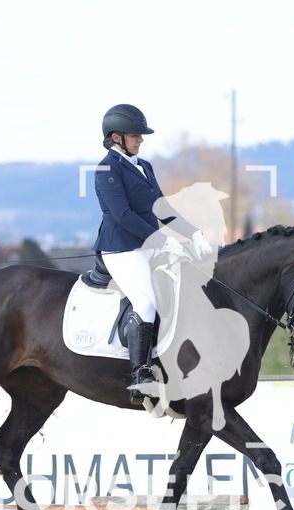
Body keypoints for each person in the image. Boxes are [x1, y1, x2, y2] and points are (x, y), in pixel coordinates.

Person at [93, 103, 210, 404]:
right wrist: (162, 240)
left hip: (150, 245)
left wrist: (192, 232)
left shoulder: (144, 167)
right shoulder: (107, 168)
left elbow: (163, 209)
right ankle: (140, 374)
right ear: (116, 137)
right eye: (135, 135)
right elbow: (122, 215)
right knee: (146, 301)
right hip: (121, 248)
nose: (141, 140)